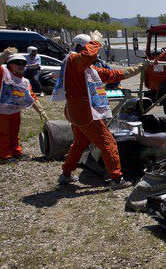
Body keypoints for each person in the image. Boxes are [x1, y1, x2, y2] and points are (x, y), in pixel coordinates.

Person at [52, 31, 147, 188]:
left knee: (80, 142)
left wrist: (139, 68)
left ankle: (66, 174)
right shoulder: (75, 61)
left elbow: (114, 74)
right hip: (85, 114)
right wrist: (96, 41)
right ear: (83, 48)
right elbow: (88, 56)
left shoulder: (85, 68)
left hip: (76, 113)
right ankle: (117, 179)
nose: (95, 55)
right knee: (107, 142)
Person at [0, 48, 48, 161]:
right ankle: (5, 156)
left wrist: (41, 111)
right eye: (17, 63)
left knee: (14, 133)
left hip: (14, 110)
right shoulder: (2, 73)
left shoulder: (24, 81)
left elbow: (31, 96)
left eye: (23, 63)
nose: (21, 65)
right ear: (9, 64)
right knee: (3, 133)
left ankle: (16, 152)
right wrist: (5, 54)